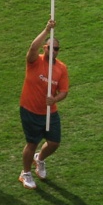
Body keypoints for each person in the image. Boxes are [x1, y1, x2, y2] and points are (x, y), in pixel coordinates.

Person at [18, 19, 68, 190]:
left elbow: (64, 91)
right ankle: (25, 173)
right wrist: (47, 30)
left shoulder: (61, 68)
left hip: (49, 112)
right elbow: (32, 48)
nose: (54, 51)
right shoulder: (34, 61)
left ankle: (39, 159)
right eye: (50, 48)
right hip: (30, 110)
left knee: (54, 142)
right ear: (44, 48)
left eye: (56, 49)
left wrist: (55, 99)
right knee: (31, 143)